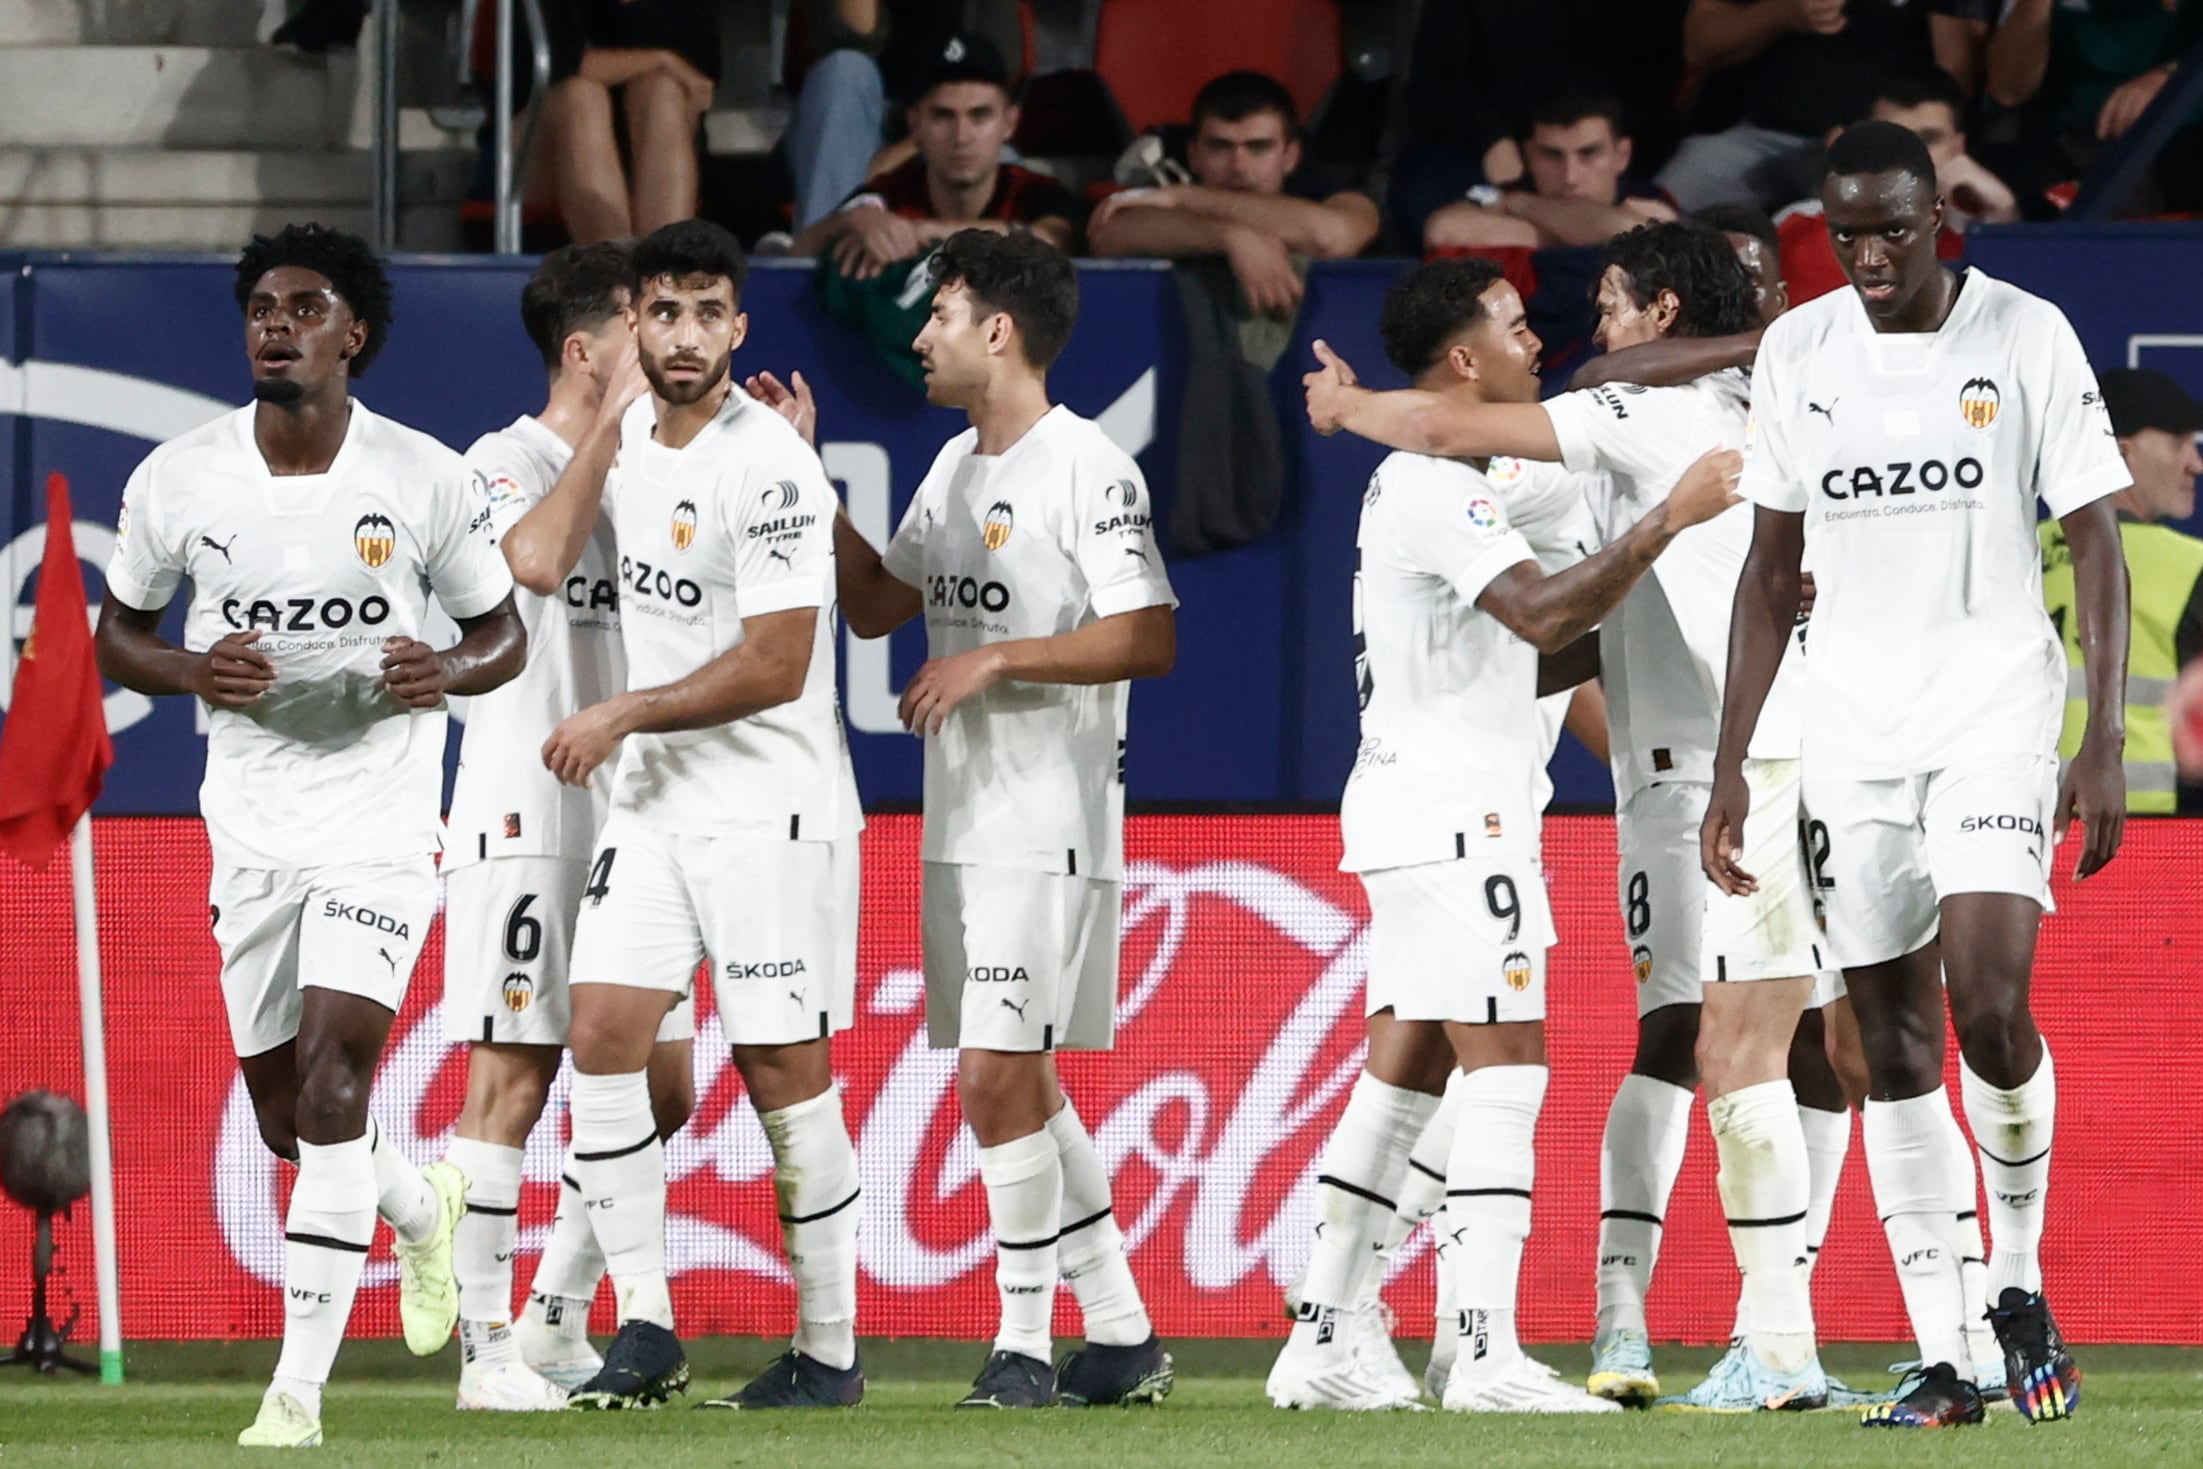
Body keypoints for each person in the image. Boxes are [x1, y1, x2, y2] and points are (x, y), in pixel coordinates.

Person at [1304, 220, 1861, 1411]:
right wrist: (1663, 524)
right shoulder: (1473, 471)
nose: (1554, 340)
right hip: (1501, 803)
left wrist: (1750, 581)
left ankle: (1331, 1328)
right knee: (1527, 1065)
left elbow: (1544, 641)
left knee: (1407, 1070)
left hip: (1468, 796)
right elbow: (1543, 615)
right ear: (1463, 359)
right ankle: (1507, 1344)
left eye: (1593, 307)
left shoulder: (1678, 428)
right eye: (1518, 326)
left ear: (1662, 311)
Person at [1705, 119, 2130, 1429]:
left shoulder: (2022, 333)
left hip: (1992, 711)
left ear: (1935, 216)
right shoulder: (1797, 351)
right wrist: (1731, 766)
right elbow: (1768, 569)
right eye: (1845, 234)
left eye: (1891, 229)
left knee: (1987, 1005)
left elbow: (2096, 540)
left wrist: (2098, 734)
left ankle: (2012, 1278)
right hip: (1846, 734)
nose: (1869, 254)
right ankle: (1945, 1356)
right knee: (1884, 1046)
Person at [93, 223, 527, 1447]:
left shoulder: (425, 476)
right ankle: (424, 1207)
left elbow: (504, 637)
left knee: (339, 1088)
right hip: (251, 821)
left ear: (355, 334)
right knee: (293, 1121)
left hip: (382, 817)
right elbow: (114, 632)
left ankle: (295, 1394)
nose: (274, 323)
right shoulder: (179, 478)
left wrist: (438, 665)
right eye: (261, 306)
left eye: (303, 305)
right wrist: (188, 667)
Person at [832, 229, 1177, 1409]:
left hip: (1050, 814)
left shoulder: (1087, 467)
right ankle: (1122, 1332)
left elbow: (1150, 632)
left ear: (998, 329)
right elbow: (881, 606)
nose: (918, 334)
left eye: (938, 314)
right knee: (1016, 1080)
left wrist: (996, 663)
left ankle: (1024, 1343)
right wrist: (808, 492)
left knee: (993, 1073)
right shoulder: (953, 467)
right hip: (963, 817)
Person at [542, 220, 866, 1411]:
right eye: (663, 312)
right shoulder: (624, 437)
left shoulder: (771, 465)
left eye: (707, 313)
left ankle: (828, 1347)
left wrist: (624, 708)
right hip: (657, 810)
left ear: (740, 325)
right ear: (635, 321)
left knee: (784, 1065)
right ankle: (645, 1324)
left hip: (769, 805)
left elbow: (780, 661)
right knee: (604, 1034)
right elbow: (534, 557)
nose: (685, 336)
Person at [436, 242, 703, 1411]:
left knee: (663, 1084)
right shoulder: (495, 464)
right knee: (514, 1072)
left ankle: (553, 1313)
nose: (666, 345)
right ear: (588, 348)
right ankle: (482, 1348)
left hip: (638, 813)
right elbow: (528, 569)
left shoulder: (657, 466)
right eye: (643, 327)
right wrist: (608, 435)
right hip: (526, 805)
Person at [1088, 71, 1380, 319]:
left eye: (1258, 147)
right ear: (1194, 153)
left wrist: (1185, 199)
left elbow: (1332, 237)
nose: (1238, 166)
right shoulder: (1168, 170)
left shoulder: (1328, 181)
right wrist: (1231, 237)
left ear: (1291, 155)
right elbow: (1107, 233)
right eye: (1219, 146)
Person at [2042, 368, 2203, 814]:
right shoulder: (2190, 564)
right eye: (2179, 443)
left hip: (2018, 826)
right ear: (2118, 452)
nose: (2196, 462)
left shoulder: (2016, 552)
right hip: (2156, 837)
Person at [791, 33, 1076, 275]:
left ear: (1009, 122)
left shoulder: (1034, 190)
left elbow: (1051, 241)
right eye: (942, 116)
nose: (961, 136)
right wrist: (850, 220)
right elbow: (791, 258)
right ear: (914, 124)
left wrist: (921, 233)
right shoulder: (890, 192)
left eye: (980, 115)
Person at [1658, 0, 1981, 212]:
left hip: (1879, 140)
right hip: (1763, 138)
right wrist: (1783, 12)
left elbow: (1954, 77)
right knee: (1679, 186)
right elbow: (1700, 44)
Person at [782, 0, 1028, 233]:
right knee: (845, 69)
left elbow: (994, 78)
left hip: (940, 129)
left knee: (1002, 158)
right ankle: (825, 254)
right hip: (849, 134)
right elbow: (841, 45)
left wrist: (906, 148)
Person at [1774, 69, 2014, 307]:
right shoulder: (1799, 233)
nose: (1914, 157)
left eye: (1930, 139)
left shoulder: (1981, 233)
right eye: (1893, 140)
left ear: (1958, 147)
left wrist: (2004, 217)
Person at [530, 0, 720, 245]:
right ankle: (612, 267)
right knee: (581, 96)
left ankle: (665, 264)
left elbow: (699, 88)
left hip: (641, 153)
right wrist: (660, 59)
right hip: (529, 153)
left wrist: (655, 66)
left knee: (662, 91)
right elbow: (556, 68)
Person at [1423, 87, 1677, 254]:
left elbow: (1639, 235)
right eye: (1551, 155)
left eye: (1589, 153)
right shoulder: (1499, 193)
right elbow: (1442, 229)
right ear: (1528, 155)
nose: (1569, 176)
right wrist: (1584, 233)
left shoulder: (1651, 199)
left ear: (1622, 156)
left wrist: (1521, 205)